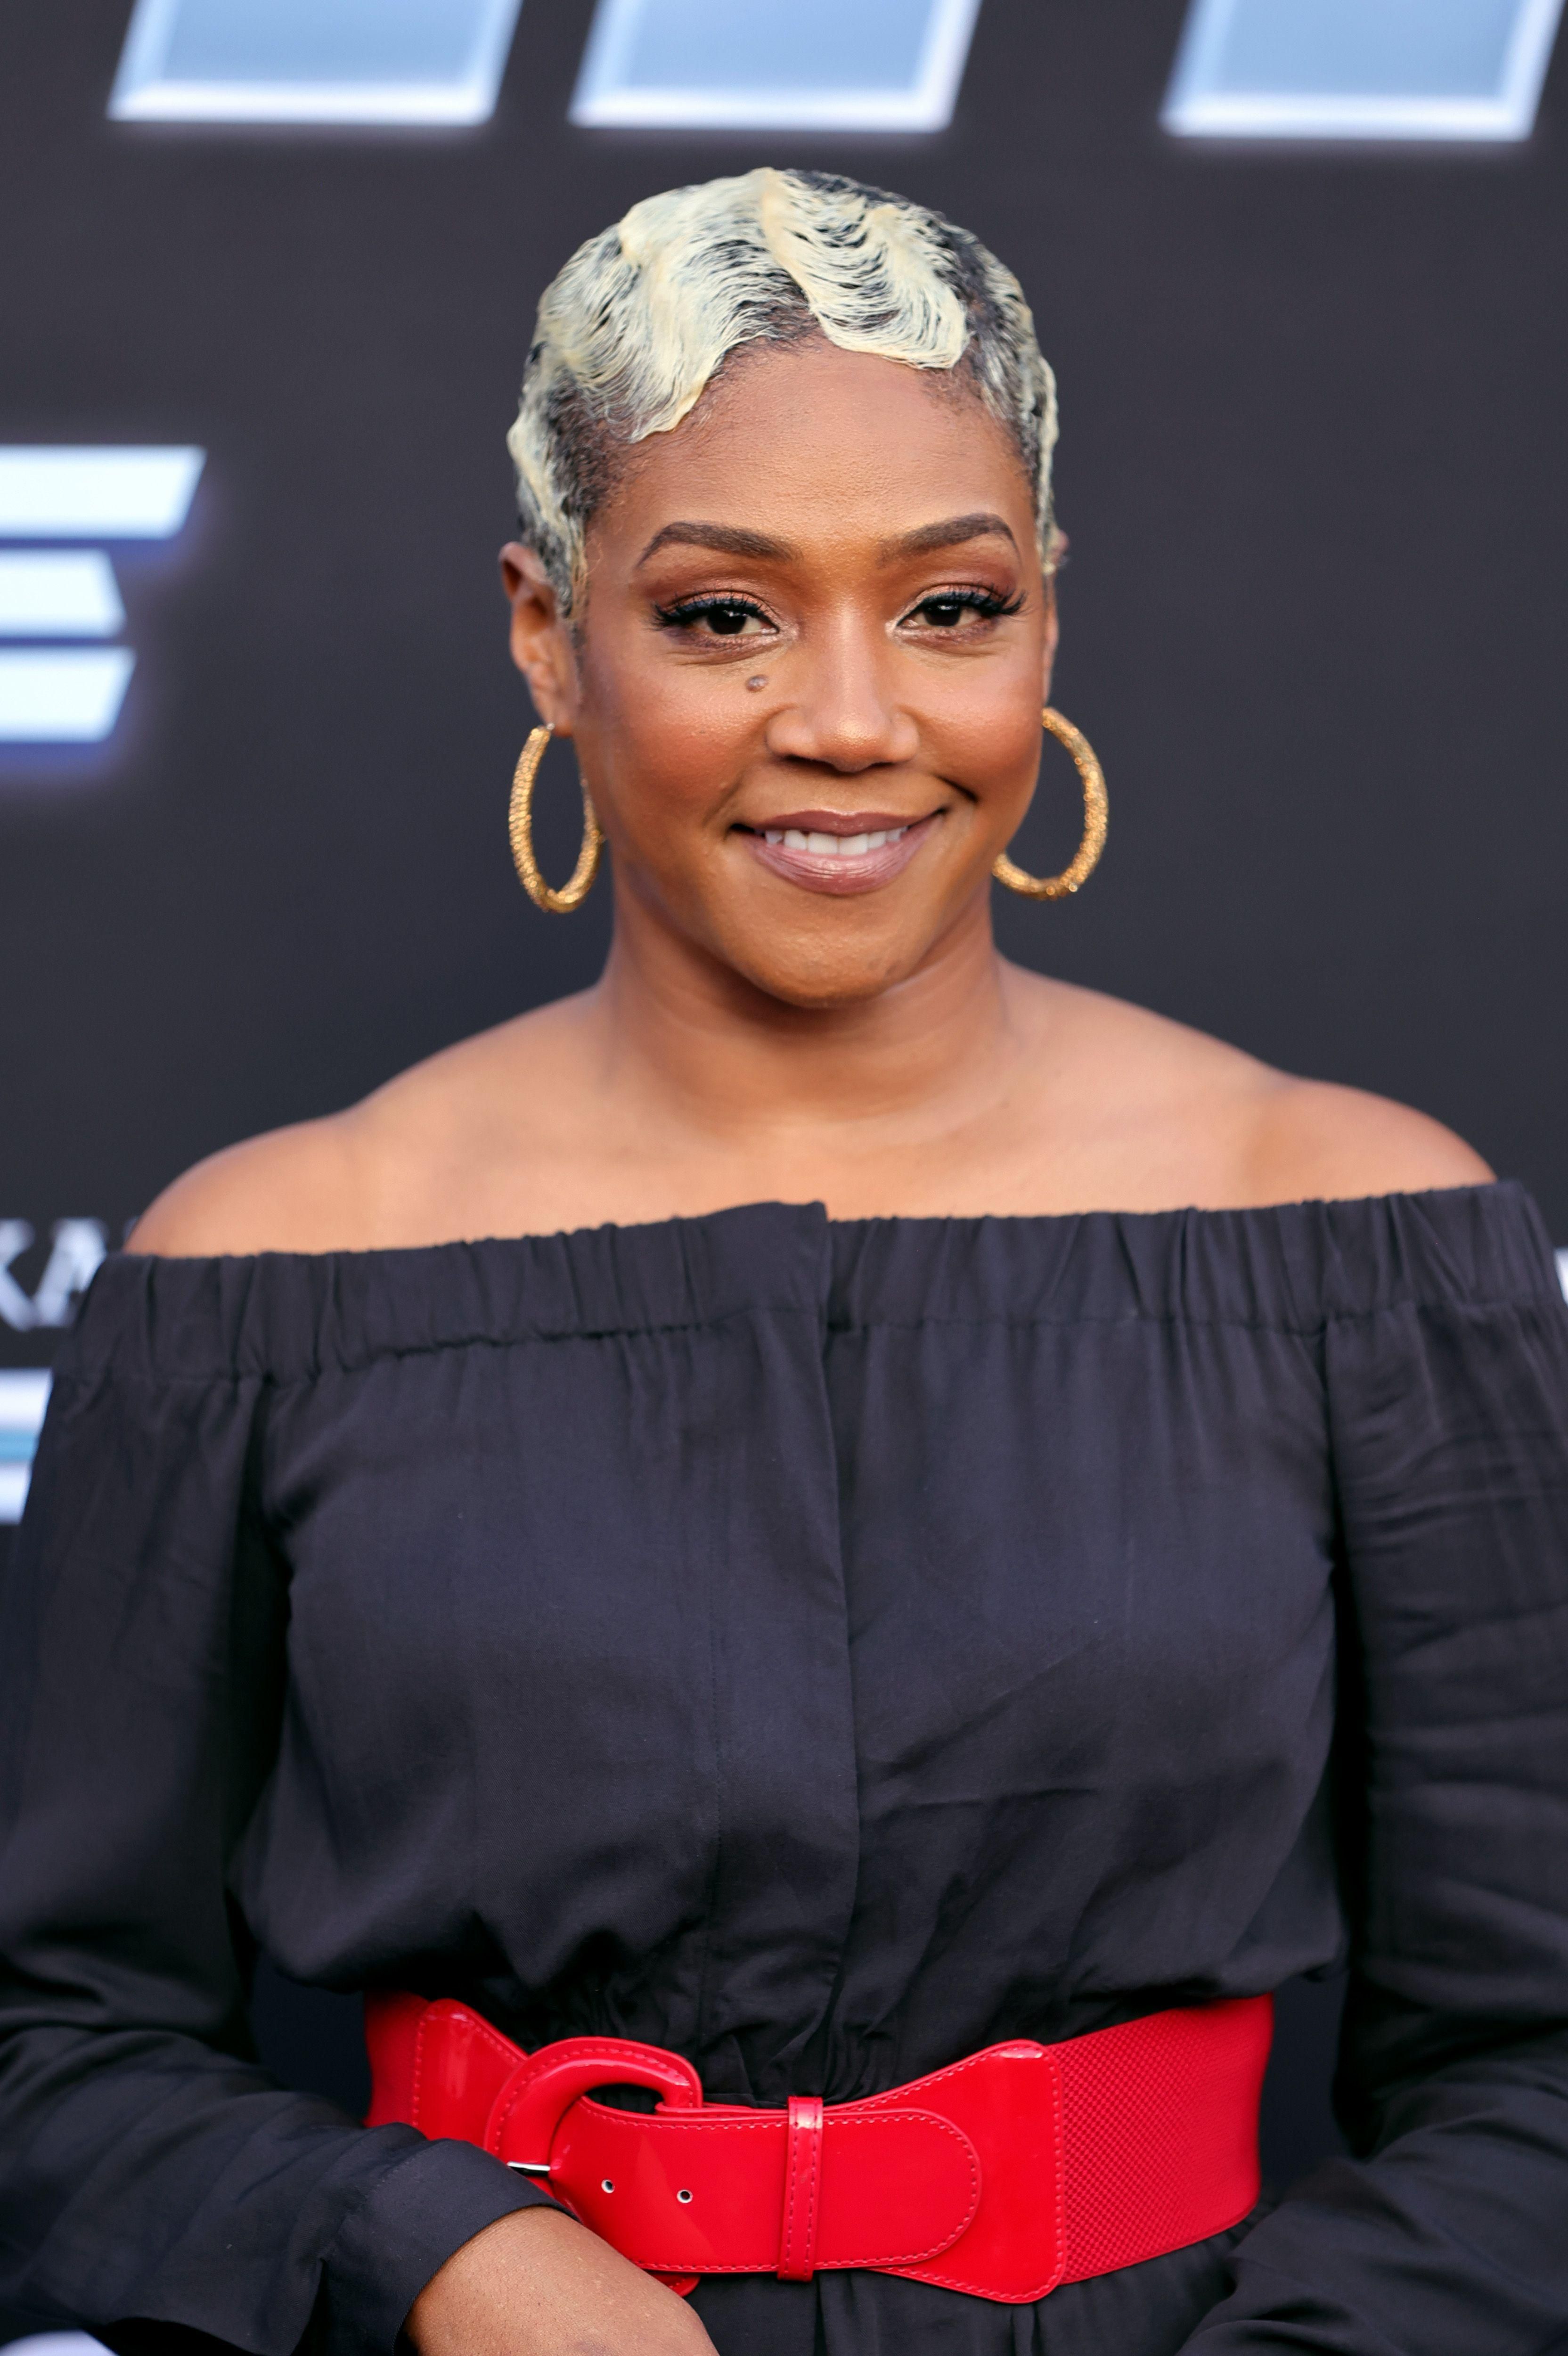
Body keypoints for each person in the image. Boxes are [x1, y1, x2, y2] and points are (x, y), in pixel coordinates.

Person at [2, 166, 1566, 2356]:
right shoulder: (263, 1265)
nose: (849, 717)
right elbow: (51, 2046)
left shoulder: (1357, 1231)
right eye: (724, 613)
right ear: (547, 630)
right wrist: (435, 2253)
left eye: (950, 605)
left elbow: (1535, 2060)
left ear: (1046, 622)